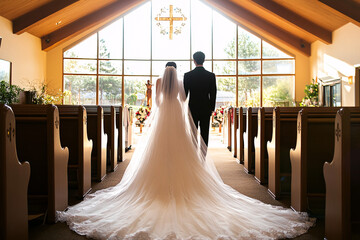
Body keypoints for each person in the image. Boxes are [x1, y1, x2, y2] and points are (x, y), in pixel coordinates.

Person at [57, 63, 314, 240]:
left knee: (156, 152)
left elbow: (156, 102)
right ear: (176, 71)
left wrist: (161, 103)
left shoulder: (158, 81)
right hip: (177, 121)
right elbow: (183, 100)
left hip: (162, 120)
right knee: (182, 151)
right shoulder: (180, 81)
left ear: (162, 71)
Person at [184, 51, 216, 146]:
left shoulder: (188, 75)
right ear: (204, 60)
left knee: (193, 133)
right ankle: (203, 156)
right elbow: (213, 93)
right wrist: (211, 108)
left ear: (194, 61)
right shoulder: (210, 76)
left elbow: (185, 94)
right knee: (205, 133)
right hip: (206, 108)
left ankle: (194, 155)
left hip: (192, 107)